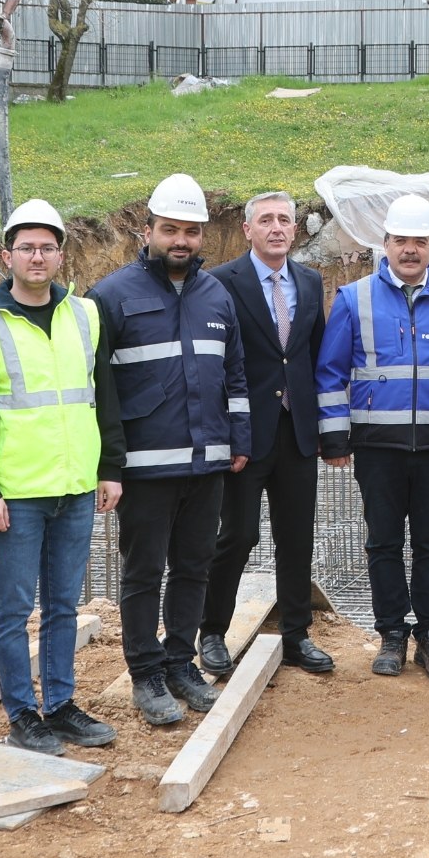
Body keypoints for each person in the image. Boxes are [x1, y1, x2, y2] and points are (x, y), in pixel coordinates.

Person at [0, 199, 126, 759]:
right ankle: (23, 714)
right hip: (17, 494)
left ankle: (61, 705)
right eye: (26, 247)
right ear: (7, 255)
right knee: (13, 608)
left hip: (75, 486)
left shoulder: (86, 314)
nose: (37, 256)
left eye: (47, 246)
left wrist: (110, 468)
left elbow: (104, 398)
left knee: (64, 605)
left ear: (60, 254)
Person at [93, 174, 251, 724]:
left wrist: (239, 440)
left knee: (194, 565)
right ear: (148, 231)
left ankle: (182, 663)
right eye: (169, 230)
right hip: (144, 466)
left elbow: (234, 374)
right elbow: (100, 388)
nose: (179, 240)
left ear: (203, 235)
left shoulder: (216, 295)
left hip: (206, 462)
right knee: (143, 571)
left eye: (190, 231)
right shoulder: (111, 296)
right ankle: (146, 673)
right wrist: (108, 462)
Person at [318, 192, 429, 682]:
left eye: (419, 242)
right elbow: (330, 373)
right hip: (377, 447)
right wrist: (336, 440)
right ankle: (391, 635)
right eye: (401, 240)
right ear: (385, 244)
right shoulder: (354, 298)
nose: (409, 250)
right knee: (382, 542)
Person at [203, 190, 335, 679]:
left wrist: (323, 428)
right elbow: (214, 363)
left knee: (296, 537)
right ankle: (213, 631)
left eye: (284, 219)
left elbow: (313, 359)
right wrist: (228, 431)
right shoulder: (220, 282)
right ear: (248, 230)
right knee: (237, 534)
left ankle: (297, 634)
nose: (277, 227)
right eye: (266, 220)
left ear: (294, 230)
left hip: (296, 431)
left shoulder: (309, 280)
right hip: (246, 434)